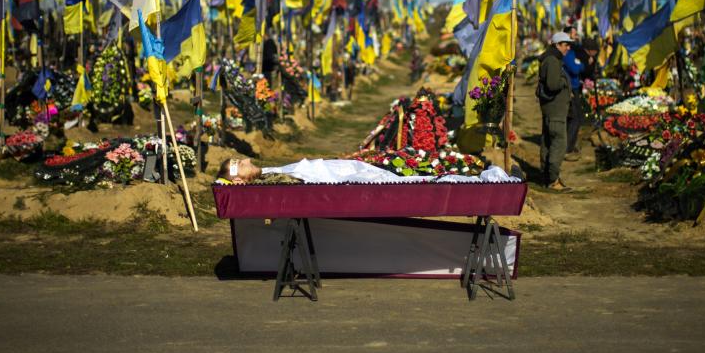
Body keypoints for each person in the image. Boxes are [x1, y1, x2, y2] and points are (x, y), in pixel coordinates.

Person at [216, 157, 514, 185]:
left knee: (415, 179)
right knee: (418, 181)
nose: (243, 159)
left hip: (345, 172)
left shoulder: (267, 174)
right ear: (238, 178)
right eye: (240, 163)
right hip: (345, 179)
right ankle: (485, 180)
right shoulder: (269, 180)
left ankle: (482, 178)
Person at [538, 32, 573, 192]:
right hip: (555, 110)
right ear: (557, 45)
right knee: (559, 143)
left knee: (548, 142)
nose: (568, 47)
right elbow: (552, 85)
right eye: (565, 44)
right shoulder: (553, 61)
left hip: (551, 109)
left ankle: (546, 177)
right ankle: (553, 180)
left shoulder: (550, 58)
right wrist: (564, 83)